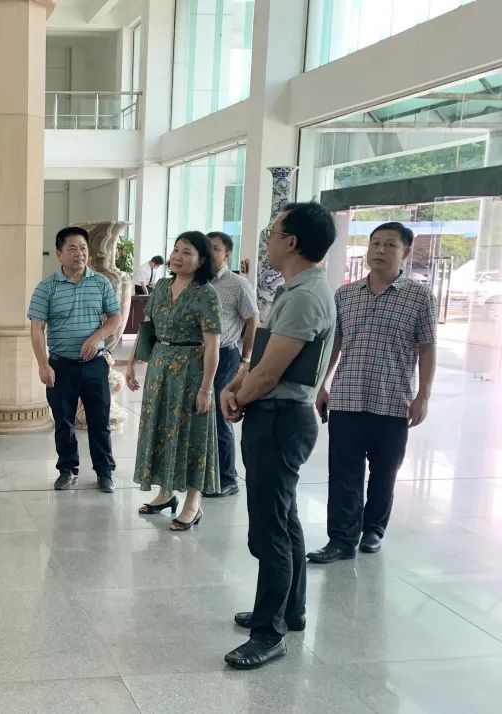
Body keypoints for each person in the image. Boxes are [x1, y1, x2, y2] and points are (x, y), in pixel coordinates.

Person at [219, 202, 337, 670]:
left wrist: (238, 397)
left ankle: (269, 634)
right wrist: (237, 385)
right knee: (283, 520)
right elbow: (262, 359)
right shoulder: (296, 289)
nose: (266, 241)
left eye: (273, 233)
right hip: (274, 413)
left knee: (270, 531)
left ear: (292, 242)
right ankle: (290, 610)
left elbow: (270, 374)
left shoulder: (307, 296)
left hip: (281, 418)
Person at [307, 222, 437, 563]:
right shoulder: (345, 295)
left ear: (405, 252)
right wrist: (321, 384)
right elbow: (334, 343)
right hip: (347, 396)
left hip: (392, 400)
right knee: (343, 473)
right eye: (375, 243)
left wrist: (423, 395)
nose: (380, 250)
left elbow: (427, 348)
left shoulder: (420, 296)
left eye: (389, 245)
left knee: (384, 473)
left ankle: (374, 529)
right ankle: (340, 539)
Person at [127, 231, 221, 530]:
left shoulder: (207, 294)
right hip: (160, 368)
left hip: (192, 370)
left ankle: (193, 502)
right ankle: (166, 493)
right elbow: (147, 328)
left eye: (187, 252)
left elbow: (213, 346)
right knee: (160, 429)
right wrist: (132, 363)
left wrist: (206, 388)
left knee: (192, 434)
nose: (178, 257)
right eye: (176, 250)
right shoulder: (162, 286)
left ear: (202, 260)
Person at [28, 226, 122, 493]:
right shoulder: (46, 287)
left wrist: (97, 337)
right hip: (61, 366)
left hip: (94, 365)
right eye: (72, 249)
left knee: (99, 421)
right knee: (64, 422)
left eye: (83, 248)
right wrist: (43, 364)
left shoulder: (101, 283)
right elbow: (36, 328)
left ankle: (105, 472)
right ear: (59, 254)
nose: (80, 254)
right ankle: (67, 470)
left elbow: (114, 317)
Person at [204, 231, 259, 498]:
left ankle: (227, 478)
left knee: (219, 415)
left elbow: (253, 321)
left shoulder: (237, 284)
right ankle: (205, 474)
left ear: (226, 255)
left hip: (225, 355)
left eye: (215, 248)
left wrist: (245, 360)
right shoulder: (198, 281)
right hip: (198, 356)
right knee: (199, 415)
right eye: (206, 247)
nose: (209, 252)